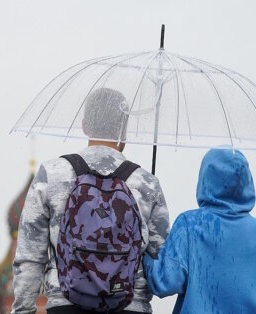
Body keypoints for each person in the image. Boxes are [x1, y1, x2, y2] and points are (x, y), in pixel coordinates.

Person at [12, 88, 170, 314]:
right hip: (129, 306)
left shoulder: (52, 174)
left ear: (85, 125)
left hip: (66, 304)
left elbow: (29, 257)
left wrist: (22, 310)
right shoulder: (146, 183)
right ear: (124, 128)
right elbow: (160, 261)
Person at [143, 149, 256, 313]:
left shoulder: (190, 224)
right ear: (247, 182)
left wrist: (146, 258)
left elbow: (166, 282)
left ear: (204, 179)